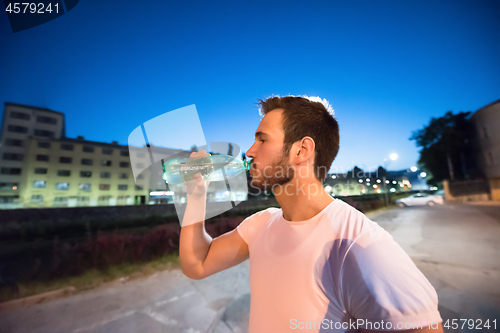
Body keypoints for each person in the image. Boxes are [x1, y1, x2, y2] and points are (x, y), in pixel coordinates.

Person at [179, 96, 444, 333]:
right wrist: (195, 195)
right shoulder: (260, 224)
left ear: (302, 150)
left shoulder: (359, 245)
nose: (249, 151)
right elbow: (197, 264)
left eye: (262, 139)